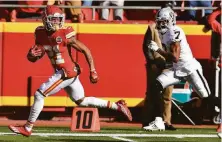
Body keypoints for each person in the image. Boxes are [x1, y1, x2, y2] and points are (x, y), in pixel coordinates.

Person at [8, 5, 132, 137]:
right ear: (45, 19)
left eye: (58, 19)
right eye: (53, 19)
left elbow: (85, 50)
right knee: (82, 101)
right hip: (66, 72)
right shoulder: (40, 33)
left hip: (66, 72)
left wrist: (93, 70)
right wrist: (31, 54)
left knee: (40, 94)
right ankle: (117, 106)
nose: (57, 22)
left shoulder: (64, 33)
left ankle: (28, 127)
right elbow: (34, 58)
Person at [143, 7, 220, 131]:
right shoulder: (163, 33)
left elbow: (175, 57)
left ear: (171, 20)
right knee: (155, 86)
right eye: (160, 21)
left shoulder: (174, 31)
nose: (161, 24)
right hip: (176, 69)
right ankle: (158, 121)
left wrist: (157, 50)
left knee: (207, 98)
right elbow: (173, 60)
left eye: (164, 21)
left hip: (189, 68)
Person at [142, 2, 177, 131]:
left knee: (167, 95)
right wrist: (152, 62)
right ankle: (147, 119)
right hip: (155, 64)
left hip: (168, 65)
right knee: (152, 93)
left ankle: (166, 121)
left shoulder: (175, 30)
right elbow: (146, 46)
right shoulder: (152, 28)